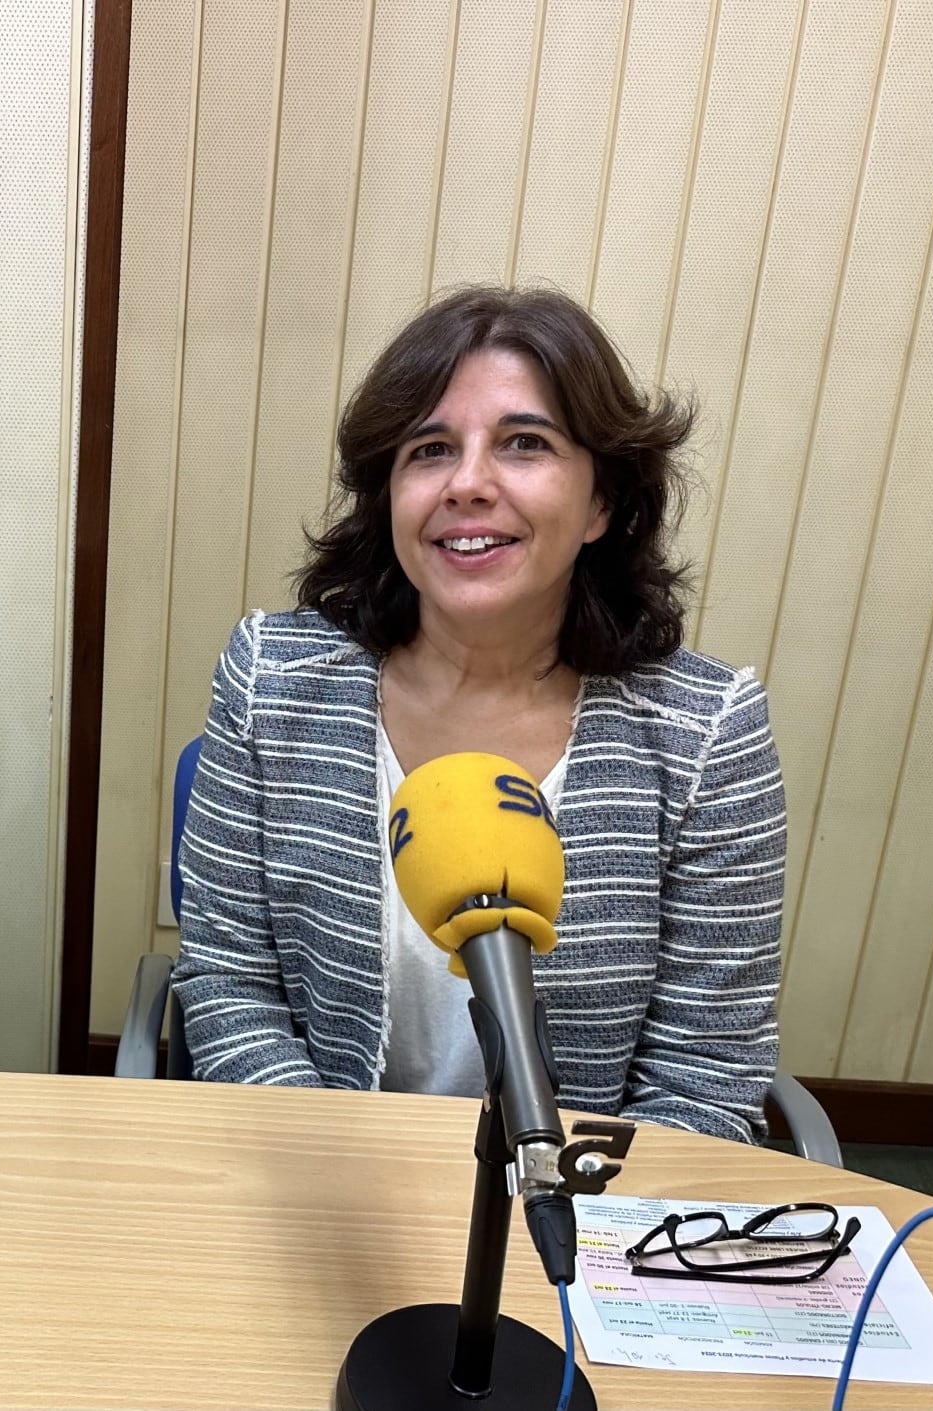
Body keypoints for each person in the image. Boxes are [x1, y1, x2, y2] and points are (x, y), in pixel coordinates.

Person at [171, 285, 784, 1143]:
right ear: (390, 497)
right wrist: (344, 1173)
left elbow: (704, 1080)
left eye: (523, 444)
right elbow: (232, 982)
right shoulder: (272, 677)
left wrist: (573, 1226)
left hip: (574, 1223)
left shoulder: (708, 731)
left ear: (602, 502)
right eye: (429, 450)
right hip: (328, 1191)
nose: (468, 483)